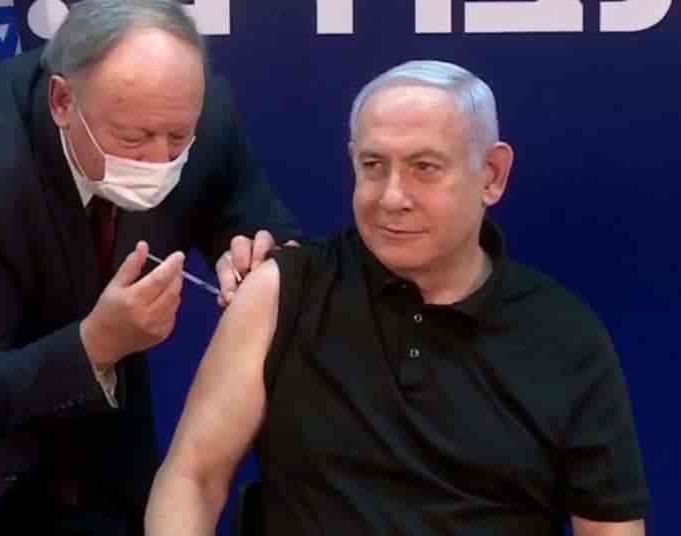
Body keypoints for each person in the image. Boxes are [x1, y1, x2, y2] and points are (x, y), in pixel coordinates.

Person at [0, 1, 300, 534]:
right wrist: (97, 345)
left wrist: (256, 256)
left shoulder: (191, 112)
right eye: (133, 140)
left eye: (178, 138)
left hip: (86, 458)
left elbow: (251, 217)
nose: (160, 159)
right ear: (63, 101)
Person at [146, 60, 649, 536]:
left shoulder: (563, 335)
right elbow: (193, 477)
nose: (391, 197)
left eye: (424, 167)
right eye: (373, 165)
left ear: (492, 175)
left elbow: (610, 525)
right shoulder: (283, 292)